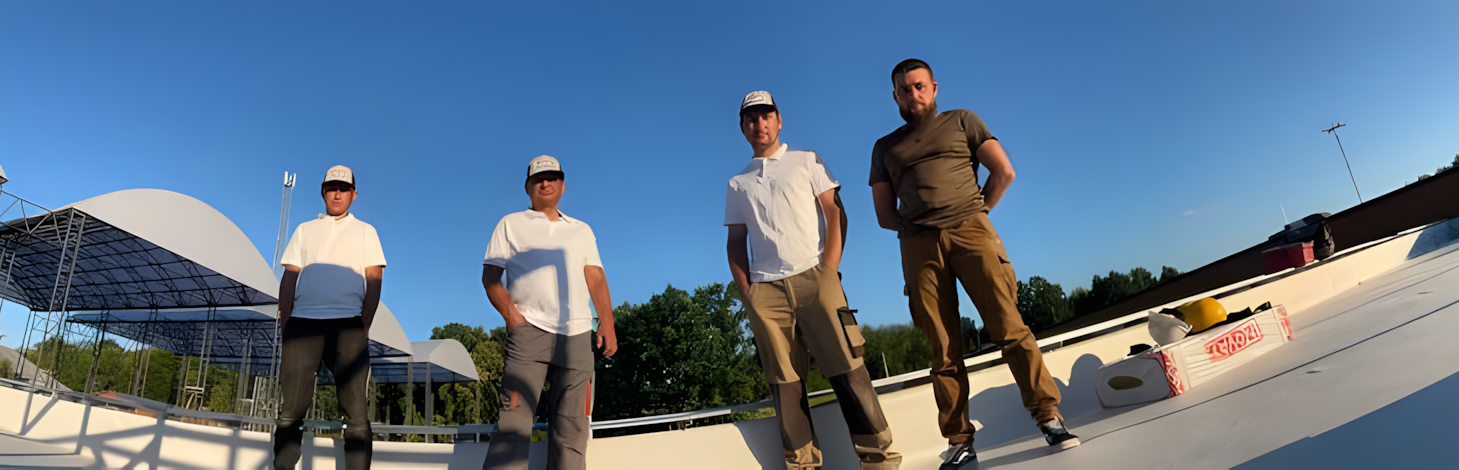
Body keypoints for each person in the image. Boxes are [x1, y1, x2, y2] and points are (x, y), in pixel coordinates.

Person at [868, 59, 1079, 467]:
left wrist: (976, 212)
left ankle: (1049, 417)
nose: (913, 95)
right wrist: (918, 230)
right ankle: (959, 440)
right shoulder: (884, 147)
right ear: (895, 96)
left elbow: (1003, 171)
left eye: (919, 86)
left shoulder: (962, 121)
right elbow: (883, 213)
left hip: (971, 231)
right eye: (904, 90)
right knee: (942, 346)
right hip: (919, 247)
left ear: (934, 87)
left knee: (1008, 327)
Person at [726, 91, 902, 470]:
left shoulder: (806, 160)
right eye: (751, 118)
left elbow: (835, 213)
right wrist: (748, 293)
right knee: (785, 385)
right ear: (743, 127)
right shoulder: (738, 184)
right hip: (766, 292)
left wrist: (828, 271)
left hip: (816, 278)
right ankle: (803, 465)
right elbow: (736, 242)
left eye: (766, 115)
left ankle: (880, 461)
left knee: (849, 371)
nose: (759, 124)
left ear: (779, 120)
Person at [481, 155, 618, 470]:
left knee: (573, 429)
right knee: (513, 425)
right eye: (538, 179)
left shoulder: (581, 230)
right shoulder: (510, 224)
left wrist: (607, 323)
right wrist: (514, 320)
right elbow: (490, 278)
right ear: (528, 187)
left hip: (578, 339)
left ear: (562, 185)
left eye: (552, 177)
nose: (546, 183)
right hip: (528, 337)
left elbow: (595, 277)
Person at [274, 165, 386, 470]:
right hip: (302, 324)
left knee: (356, 413)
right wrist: (287, 323)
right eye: (332, 188)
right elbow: (289, 277)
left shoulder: (366, 231)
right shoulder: (304, 230)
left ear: (353, 195)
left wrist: (363, 325)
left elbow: (374, 278)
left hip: (348, 325)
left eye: (344, 189)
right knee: (290, 410)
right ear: (323, 192)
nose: (337, 194)